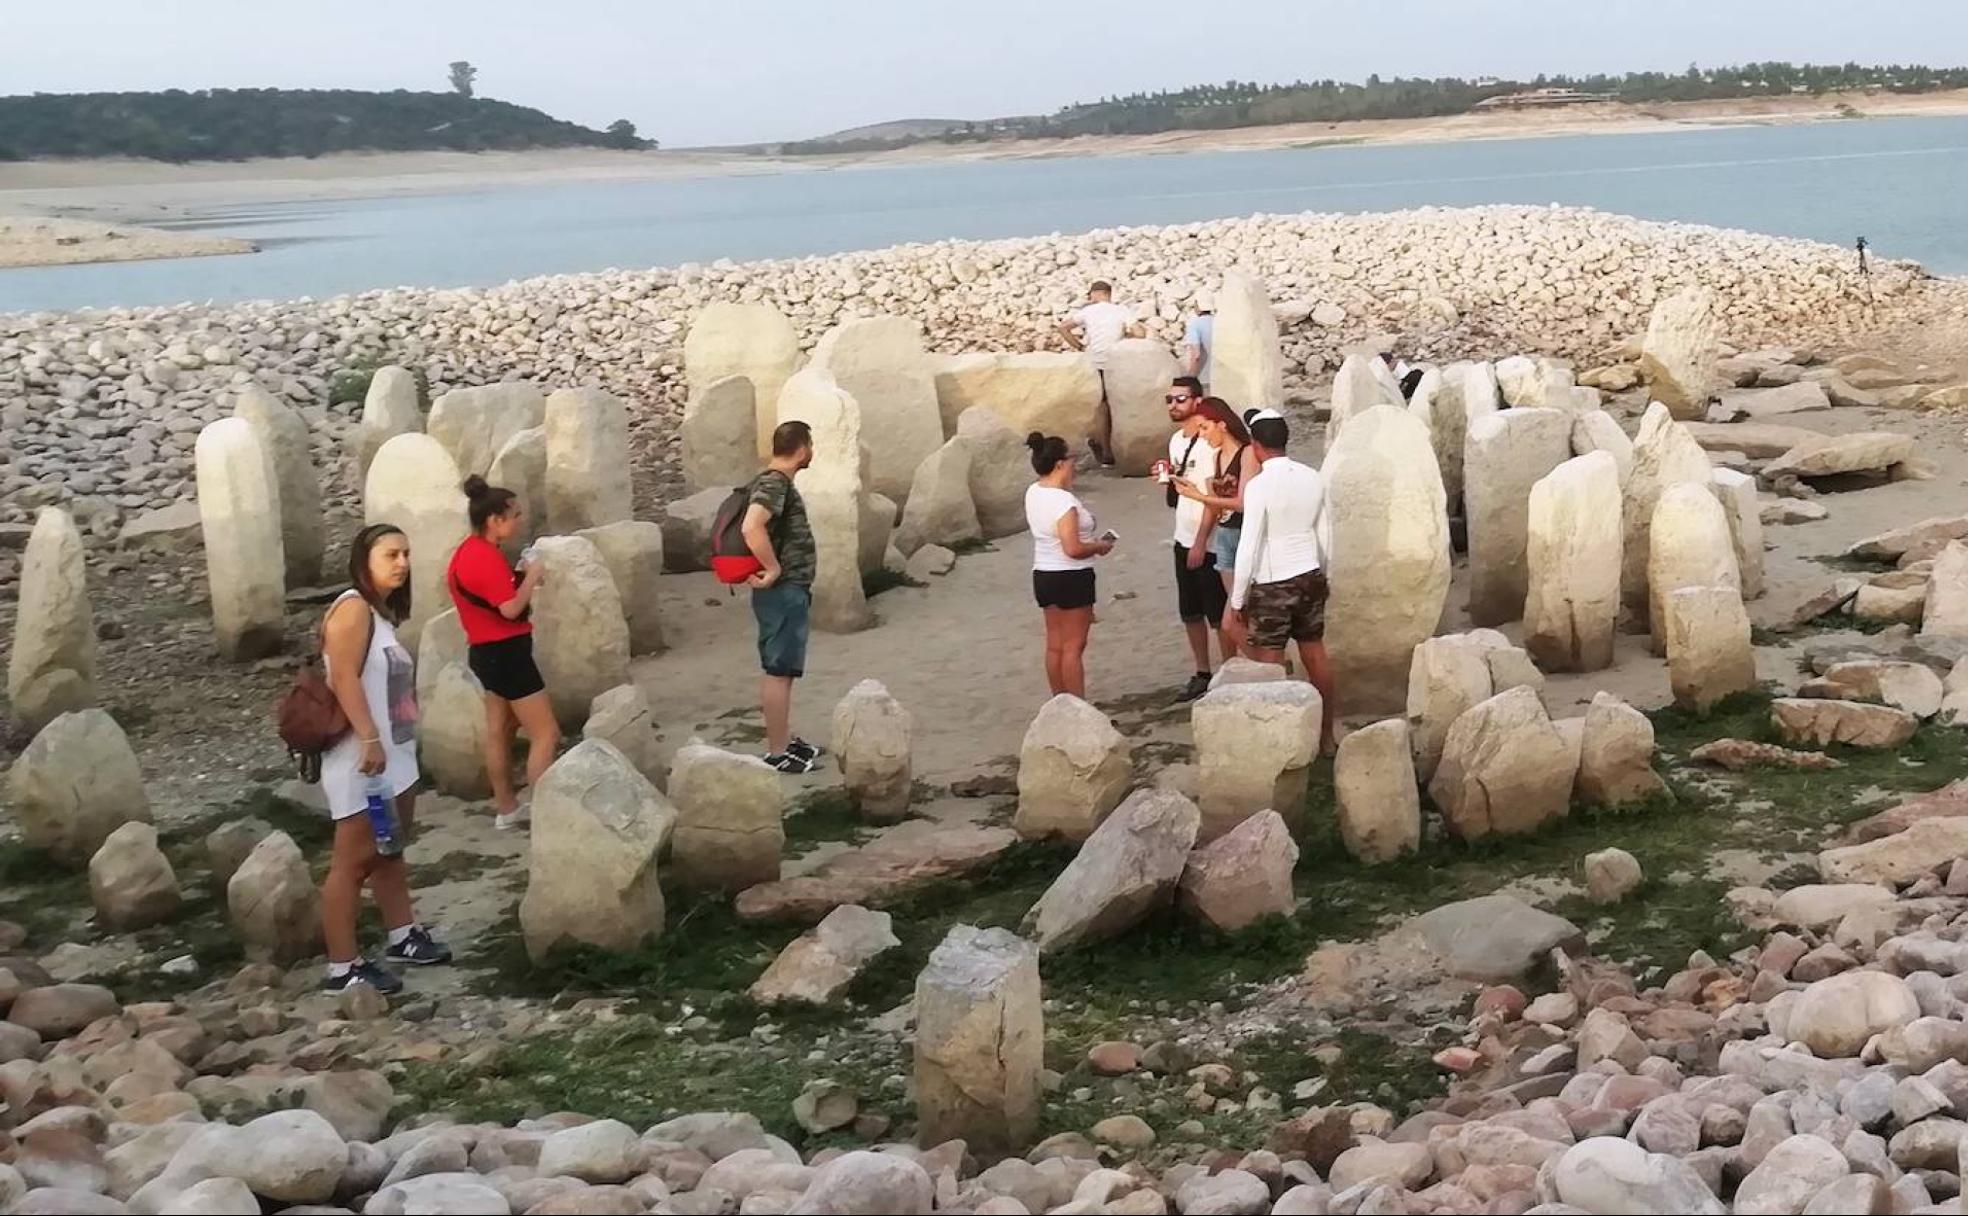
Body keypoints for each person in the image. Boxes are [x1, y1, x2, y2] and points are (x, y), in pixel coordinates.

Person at [317, 523, 452, 994]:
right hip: (363, 761)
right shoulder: (352, 609)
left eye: (406, 554)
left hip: (395, 759)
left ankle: (403, 934)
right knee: (352, 862)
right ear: (364, 561)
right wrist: (369, 738)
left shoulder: (381, 615)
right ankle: (342, 966)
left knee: (389, 849)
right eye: (391, 555)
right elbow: (343, 678)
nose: (403, 563)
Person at [446, 476, 559, 831]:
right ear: (495, 520)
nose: (520, 520)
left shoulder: (466, 552)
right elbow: (510, 609)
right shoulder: (484, 558)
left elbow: (493, 597)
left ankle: (506, 808)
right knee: (545, 733)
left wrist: (518, 578)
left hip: (483, 652)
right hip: (507, 653)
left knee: (500, 730)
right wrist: (532, 577)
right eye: (515, 515)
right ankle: (545, 813)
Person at [1228, 411, 1338, 753]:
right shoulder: (1312, 477)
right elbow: (1325, 532)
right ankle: (1326, 736)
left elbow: (1249, 544)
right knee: (1315, 654)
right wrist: (1323, 574)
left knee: (1270, 662)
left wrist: (1237, 598)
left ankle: (1280, 743)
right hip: (1309, 572)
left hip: (1273, 580)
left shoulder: (1259, 486)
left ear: (1256, 445)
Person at [742, 420, 827, 774]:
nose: (812, 452)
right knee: (778, 670)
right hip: (782, 590)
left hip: (787, 590)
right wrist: (773, 568)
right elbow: (752, 526)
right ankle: (778, 753)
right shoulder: (774, 483)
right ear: (803, 449)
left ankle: (784, 739)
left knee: (784, 669)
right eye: (811, 445)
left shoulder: (771, 481)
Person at [1025, 432, 1114, 698]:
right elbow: (1073, 548)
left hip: (1044, 573)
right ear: (1060, 464)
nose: (1074, 464)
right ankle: (1078, 706)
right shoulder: (1063, 502)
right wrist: (1098, 546)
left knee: (1055, 645)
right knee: (1073, 647)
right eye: (1071, 459)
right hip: (1071, 576)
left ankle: (1059, 702)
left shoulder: (1034, 491)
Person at [1172, 397, 1256, 652]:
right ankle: (1261, 663)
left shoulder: (1247, 453)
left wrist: (1199, 496)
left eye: (1205, 427)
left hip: (1244, 534)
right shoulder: (1217, 456)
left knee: (1240, 615)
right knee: (1235, 616)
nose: (1203, 435)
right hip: (1225, 537)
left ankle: (1268, 663)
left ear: (1222, 424)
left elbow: (1242, 502)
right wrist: (1195, 490)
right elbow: (1215, 503)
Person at [1165, 376, 1229, 701]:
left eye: (1181, 399)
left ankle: (1229, 669)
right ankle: (1202, 671)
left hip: (1207, 539)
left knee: (1217, 613)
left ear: (1197, 401)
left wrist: (1202, 540)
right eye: (1170, 399)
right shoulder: (1176, 441)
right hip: (1182, 533)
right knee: (1190, 611)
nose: (1173, 405)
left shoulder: (1209, 444)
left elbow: (1212, 496)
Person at [1058, 280, 1141, 461]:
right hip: (1117, 363)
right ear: (1109, 293)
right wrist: (1125, 337)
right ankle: (1121, 447)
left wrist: (1079, 347)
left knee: (1101, 407)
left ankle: (1106, 452)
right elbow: (1140, 333)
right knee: (1117, 405)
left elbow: (1063, 327)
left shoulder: (1088, 311)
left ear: (1097, 293)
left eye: (1091, 294)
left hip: (1095, 363)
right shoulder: (1121, 310)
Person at [1182, 291, 1215, 387]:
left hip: (1203, 379)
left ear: (1199, 305)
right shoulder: (1219, 321)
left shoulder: (1195, 323)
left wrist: (1190, 379)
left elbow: (1196, 355)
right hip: (1220, 377)